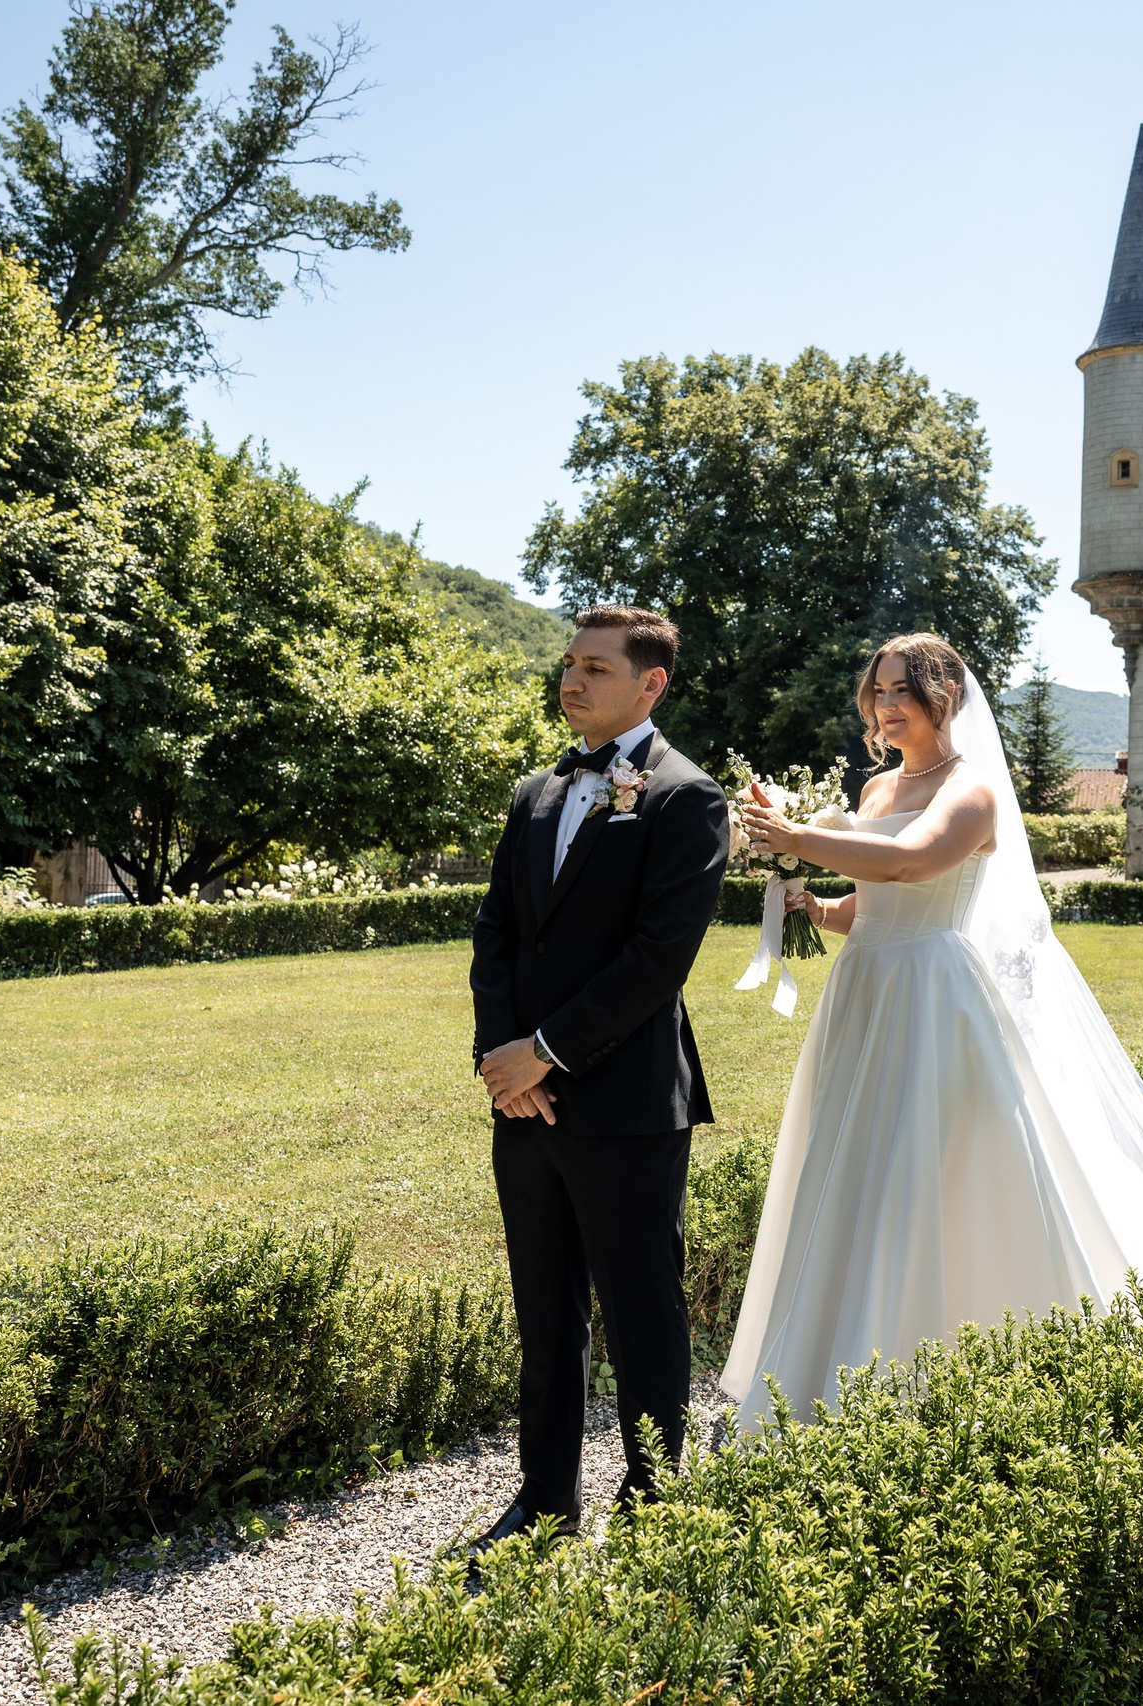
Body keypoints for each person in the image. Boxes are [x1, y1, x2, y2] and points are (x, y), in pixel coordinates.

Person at [721, 633, 1143, 1432]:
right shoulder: (872, 791)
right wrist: (809, 902)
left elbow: (911, 864)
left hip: (933, 996)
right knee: (857, 1159)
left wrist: (796, 838)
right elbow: (867, 907)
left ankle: (933, 1348)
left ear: (945, 696)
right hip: (866, 990)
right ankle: (839, 1347)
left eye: (905, 688)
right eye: (878, 690)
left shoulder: (972, 792)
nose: (888, 703)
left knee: (923, 1163)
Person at [467, 605, 731, 1552]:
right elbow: (497, 929)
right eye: (568, 664)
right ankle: (545, 1501)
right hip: (523, 1100)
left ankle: (656, 1502)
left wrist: (545, 1050)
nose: (571, 681)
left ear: (651, 684)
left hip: (624, 1102)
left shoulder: (686, 797)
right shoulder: (536, 790)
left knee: (640, 1309)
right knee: (545, 1311)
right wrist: (503, 1057)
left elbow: (659, 958)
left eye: (596, 668)